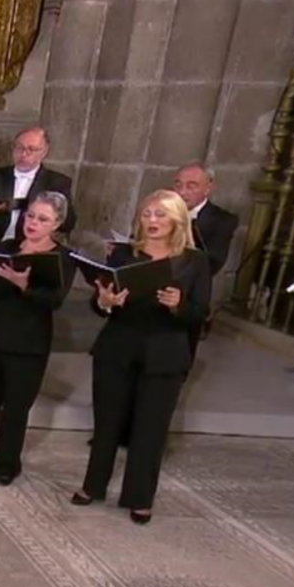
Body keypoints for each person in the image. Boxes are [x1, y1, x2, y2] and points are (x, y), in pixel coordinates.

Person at [74, 190, 211, 524]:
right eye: (147, 214)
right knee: (107, 423)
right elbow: (99, 301)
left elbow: (200, 313)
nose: (152, 221)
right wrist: (106, 302)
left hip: (164, 354)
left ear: (178, 219)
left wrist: (178, 304)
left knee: (150, 429)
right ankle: (93, 485)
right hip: (118, 347)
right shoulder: (122, 254)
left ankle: (139, 497)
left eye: (160, 215)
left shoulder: (194, 261)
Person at [0, 192, 76, 485]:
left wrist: (24, 286)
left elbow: (54, 300)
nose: (33, 222)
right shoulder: (4, 248)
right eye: (30, 215)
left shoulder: (62, 258)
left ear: (57, 223)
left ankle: (6, 464)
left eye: (42, 219)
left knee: (15, 408)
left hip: (27, 344)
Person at [0, 126, 74, 398]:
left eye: (32, 149)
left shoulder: (58, 182)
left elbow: (71, 219)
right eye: (20, 148)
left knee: (17, 315)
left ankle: (10, 376)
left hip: (31, 255)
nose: (24, 154)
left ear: (45, 151)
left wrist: (34, 211)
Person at [172, 163, 239, 356]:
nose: (182, 191)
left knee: (181, 353)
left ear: (207, 188)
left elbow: (214, 261)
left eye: (191, 186)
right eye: (178, 185)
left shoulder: (223, 220)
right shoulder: (162, 211)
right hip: (156, 287)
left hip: (191, 294)